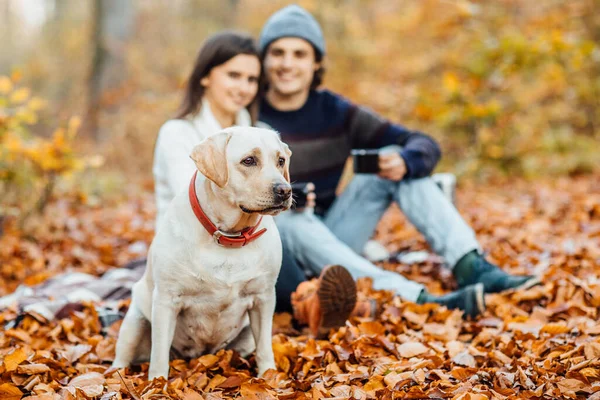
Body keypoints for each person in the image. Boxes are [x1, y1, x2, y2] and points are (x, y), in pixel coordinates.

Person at [257, 5, 539, 321]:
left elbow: (423, 143)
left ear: (316, 62)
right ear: (264, 59)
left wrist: (405, 161)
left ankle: (470, 265)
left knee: (396, 157)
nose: (287, 64)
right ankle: (417, 298)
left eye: (299, 54)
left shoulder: (336, 112)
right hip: (281, 248)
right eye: (278, 53)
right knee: (292, 217)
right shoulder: (249, 114)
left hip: (334, 233)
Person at [153, 31, 359, 337]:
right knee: (278, 226)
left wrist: (289, 193)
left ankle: (321, 296)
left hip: (248, 243)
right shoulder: (178, 133)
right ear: (205, 76)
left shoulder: (260, 132)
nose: (243, 87)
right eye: (234, 75)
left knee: (290, 219)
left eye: (251, 79)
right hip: (194, 250)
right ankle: (317, 298)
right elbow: (197, 197)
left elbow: (272, 180)